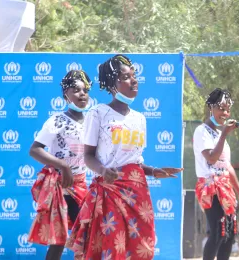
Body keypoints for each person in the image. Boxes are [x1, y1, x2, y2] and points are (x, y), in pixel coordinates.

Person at [66, 55, 182, 260]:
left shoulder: (140, 118)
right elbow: (88, 156)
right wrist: (102, 171)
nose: (134, 80)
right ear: (112, 84)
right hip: (110, 193)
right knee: (114, 248)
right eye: (126, 77)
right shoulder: (98, 113)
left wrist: (154, 171)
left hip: (137, 194)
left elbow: (134, 161)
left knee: (141, 247)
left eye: (134, 76)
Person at [28, 70, 92, 260]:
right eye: (76, 90)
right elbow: (35, 150)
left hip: (81, 185)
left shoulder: (91, 122)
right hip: (61, 186)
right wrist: (63, 166)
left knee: (86, 234)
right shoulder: (57, 120)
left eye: (85, 90)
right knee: (59, 238)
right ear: (66, 95)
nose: (82, 94)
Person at [193, 88, 239, 260]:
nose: (225, 113)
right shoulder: (201, 131)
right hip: (210, 188)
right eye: (221, 108)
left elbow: (227, 166)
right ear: (211, 107)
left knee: (230, 234)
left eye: (227, 109)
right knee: (218, 231)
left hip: (225, 188)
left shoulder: (219, 134)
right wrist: (224, 134)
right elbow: (211, 158)